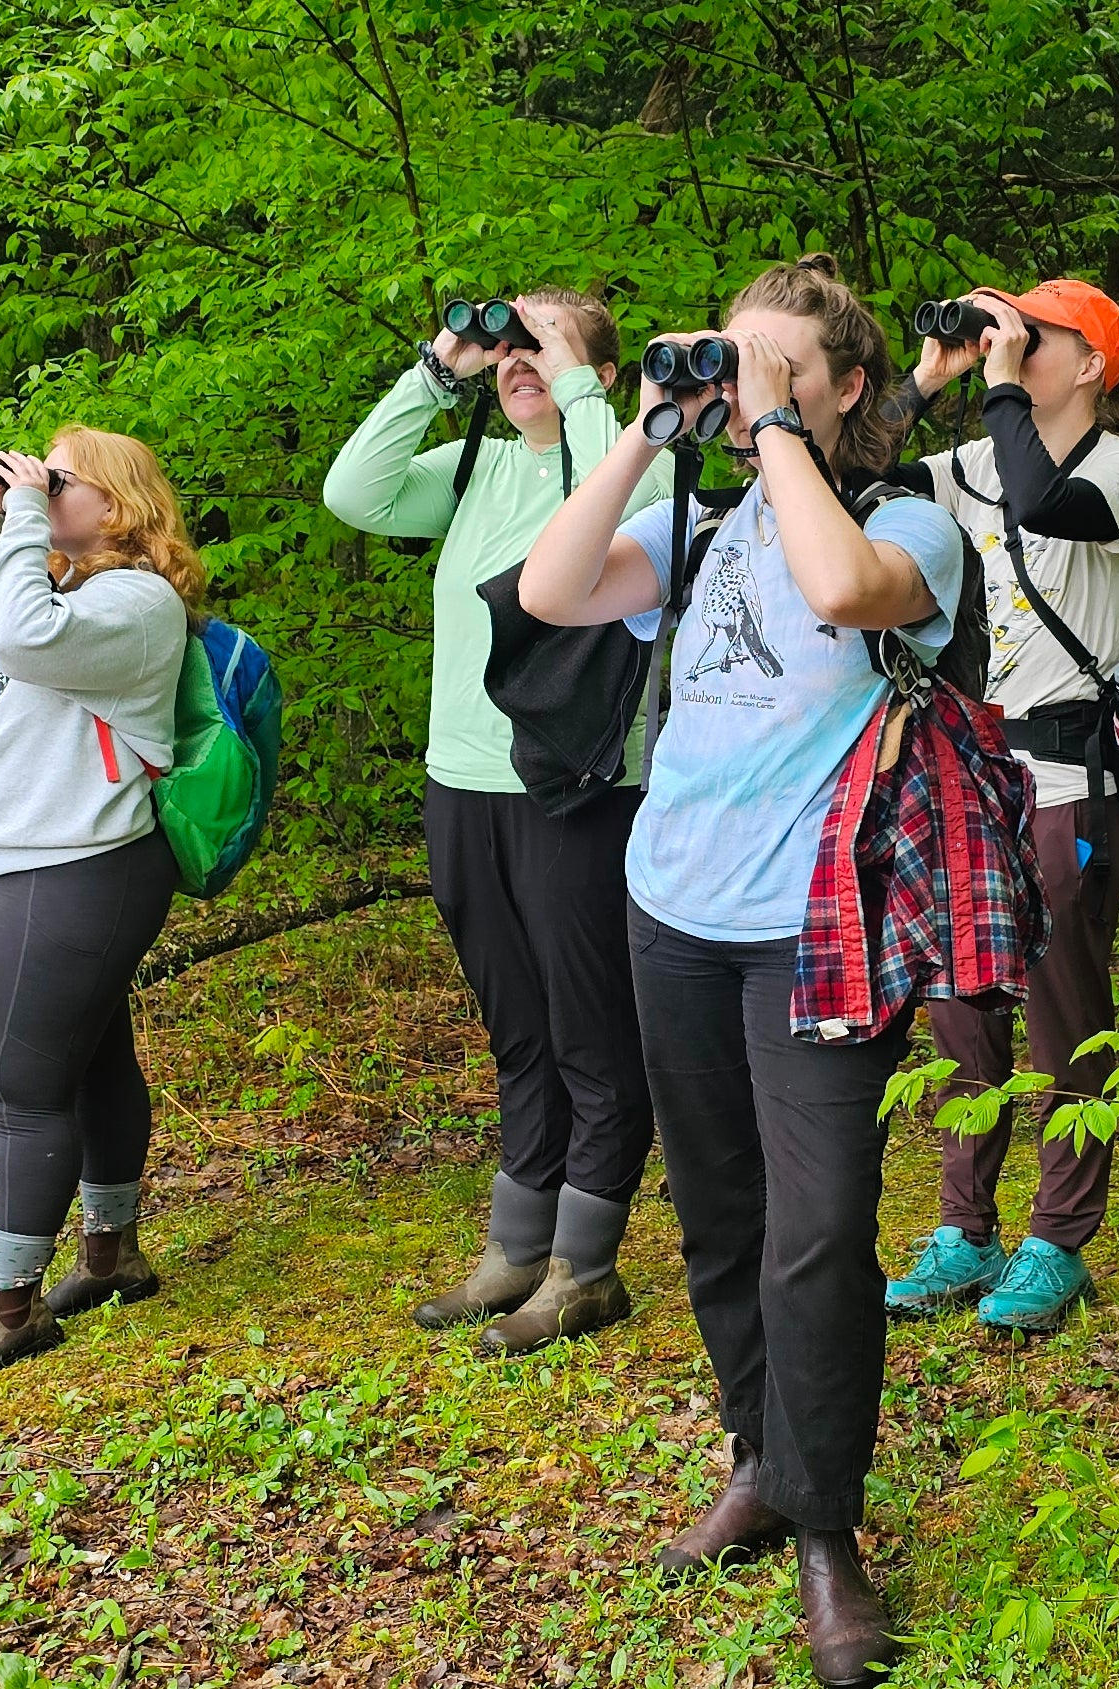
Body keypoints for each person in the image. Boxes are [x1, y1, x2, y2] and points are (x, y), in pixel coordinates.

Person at [520, 256, 965, 1688]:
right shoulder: (700, 520)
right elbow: (549, 587)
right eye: (732, 357)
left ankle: (828, 1531)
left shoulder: (910, 522)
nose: (745, 385)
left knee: (821, 1228)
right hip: (672, 910)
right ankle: (762, 1463)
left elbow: (840, 583)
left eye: (781, 367)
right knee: (716, 1216)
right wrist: (652, 422)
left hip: (810, 921)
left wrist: (772, 425)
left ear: (845, 388)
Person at [323, 290, 672, 1355]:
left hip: (579, 784)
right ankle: (516, 1250)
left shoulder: (635, 462)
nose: (520, 363)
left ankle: (586, 1266)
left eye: (547, 349)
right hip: (460, 782)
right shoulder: (472, 471)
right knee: (516, 1024)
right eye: (506, 350)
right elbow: (353, 492)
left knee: (591, 1028)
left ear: (600, 377)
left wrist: (573, 374)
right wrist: (440, 367)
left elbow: (623, 488)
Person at [879, 278, 1119, 1334]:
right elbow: (858, 473)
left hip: (1070, 784)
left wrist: (997, 389)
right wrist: (928, 377)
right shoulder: (971, 464)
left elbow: (1042, 500)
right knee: (959, 1015)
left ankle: (1057, 1240)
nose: (1009, 349)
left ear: (1090, 365)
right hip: (976, 777)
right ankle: (964, 1229)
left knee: (1065, 1022)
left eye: (1033, 339)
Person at [0, 427, 199, 1393]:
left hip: (76, 861)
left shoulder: (135, 602)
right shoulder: (58, 589)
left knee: (20, 1080)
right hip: (34, 859)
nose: (34, 483)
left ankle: (11, 1308)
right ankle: (111, 1255)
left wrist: (24, 523)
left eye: (58, 477)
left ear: (112, 508)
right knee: (89, 1057)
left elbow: (24, 636)